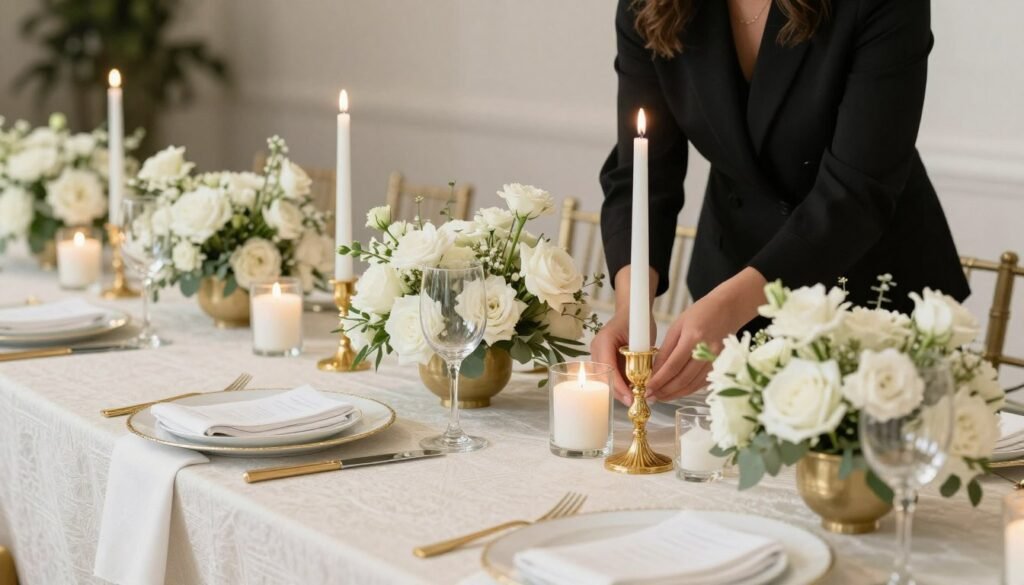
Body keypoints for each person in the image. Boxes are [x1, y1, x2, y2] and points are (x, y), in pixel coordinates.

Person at [592, 0, 968, 405]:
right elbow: (644, 172)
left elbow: (856, 193)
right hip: (730, 284)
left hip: (872, 300)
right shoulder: (647, 5)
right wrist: (631, 309)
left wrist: (730, 307)